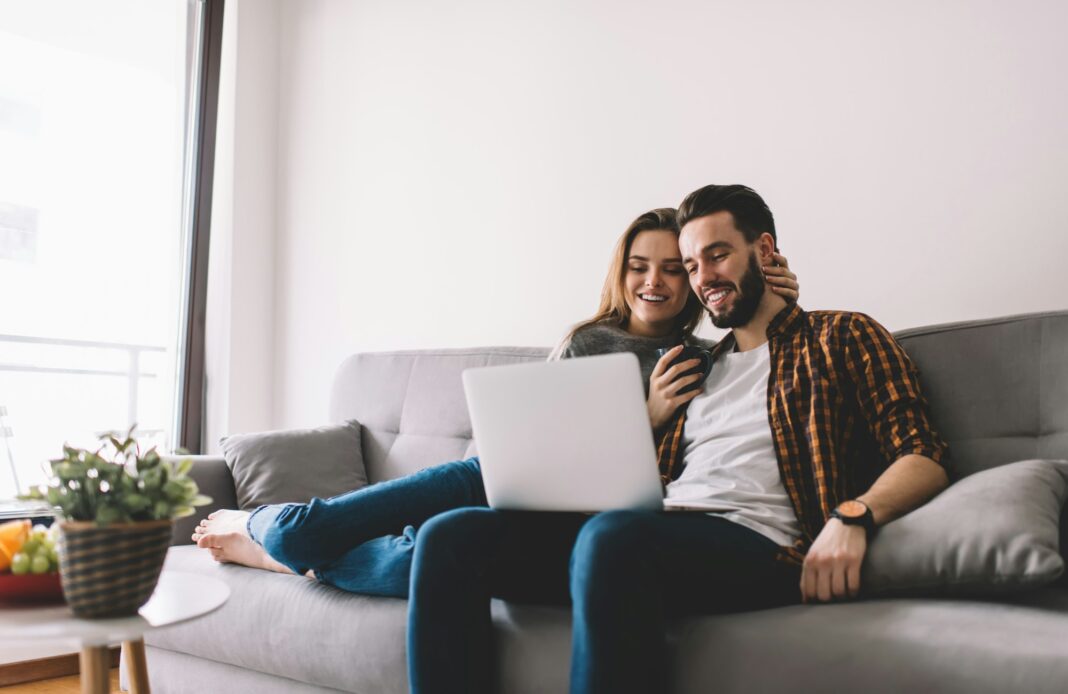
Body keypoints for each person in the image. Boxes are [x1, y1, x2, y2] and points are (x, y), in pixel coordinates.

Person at [406, 184, 950, 694]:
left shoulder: (842, 335)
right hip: (645, 536)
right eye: (692, 265)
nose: (702, 277)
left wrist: (852, 517)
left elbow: (922, 453)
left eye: (717, 255)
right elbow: (626, 474)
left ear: (764, 250)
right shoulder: (692, 368)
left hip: (761, 545)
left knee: (613, 538)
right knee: (451, 537)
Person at [190, 207, 800, 597]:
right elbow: (542, 442)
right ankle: (262, 526)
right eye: (641, 266)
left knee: (423, 562)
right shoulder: (587, 341)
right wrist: (643, 416)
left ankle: (287, 562)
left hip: (571, 518)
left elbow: (755, 328)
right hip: (490, 475)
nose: (655, 282)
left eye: (674, 268)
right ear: (622, 271)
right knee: (307, 529)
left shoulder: (699, 360)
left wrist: (784, 283)